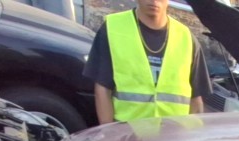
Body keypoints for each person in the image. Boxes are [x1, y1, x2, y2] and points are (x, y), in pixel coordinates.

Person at [83, 0, 212, 123]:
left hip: (174, 137)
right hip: (127, 136)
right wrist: (109, 134)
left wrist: (192, 139)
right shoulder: (113, 29)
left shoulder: (186, 38)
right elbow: (102, 89)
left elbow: (196, 99)